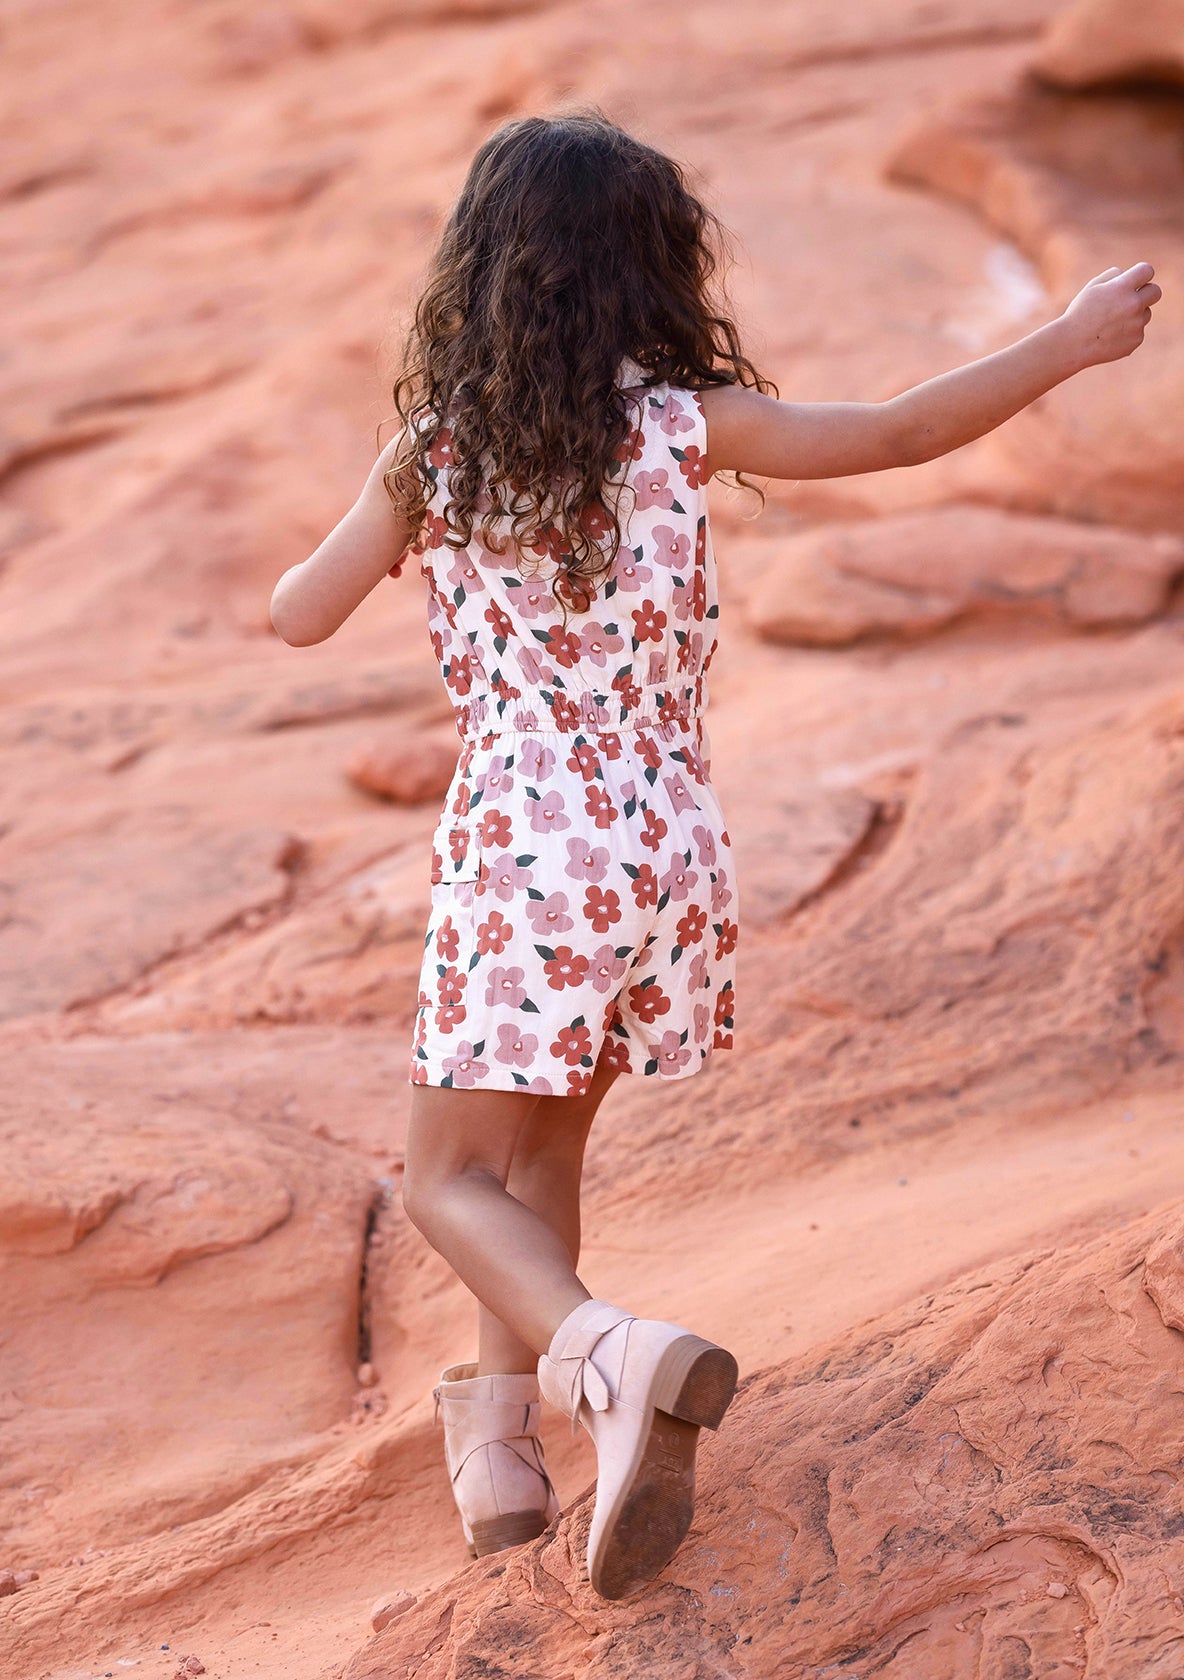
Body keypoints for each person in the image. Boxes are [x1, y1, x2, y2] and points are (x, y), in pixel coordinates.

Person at [269, 111, 1159, 1600]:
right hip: (662, 847)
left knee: (442, 1182)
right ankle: (503, 1449)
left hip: (521, 850)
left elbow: (302, 613)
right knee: (541, 1147)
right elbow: (889, 432)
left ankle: (608, 1359)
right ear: (648, 277)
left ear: (480, 277)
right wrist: (1065, 342)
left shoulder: (435, 454)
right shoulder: (684, 426)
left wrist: (376, 514)